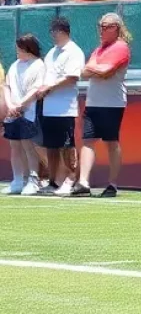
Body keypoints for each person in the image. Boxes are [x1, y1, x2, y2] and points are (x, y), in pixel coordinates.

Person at [72, 12, 132, 197]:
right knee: (88, 141)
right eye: (100, 26)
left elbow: (106, 71)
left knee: (111, 143)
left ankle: (112, 184)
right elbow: (85, 72)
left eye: (106, 26)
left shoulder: (121, 47)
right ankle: (83, 182)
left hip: (112, 104)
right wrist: (96, 69)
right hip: (93, 103)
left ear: (116, 28)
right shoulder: (98, 50)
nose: (101, 30)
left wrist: (96, 69)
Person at [31, 17, 85, 196]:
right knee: (51, 146)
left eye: (54, 31)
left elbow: (72, 77)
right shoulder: (52, 52)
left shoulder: (74, 51)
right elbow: (46, 76)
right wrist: (41, 88)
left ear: (62, 31)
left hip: (65, 108)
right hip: (49, 108)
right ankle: (54, 181)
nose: (52, 35)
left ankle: (71, 180)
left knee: (67, 146)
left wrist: (49, 87)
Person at [2, 34, 45, 196]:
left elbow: (36, 89)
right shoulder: (14, 66)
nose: (17, 52)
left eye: (20, 49)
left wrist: (21, 105)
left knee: (28, 146)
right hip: (12, 113)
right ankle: (17, 180)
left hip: (28, 112)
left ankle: (33, 180)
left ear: (28, 49)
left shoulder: (38, 65)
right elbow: (6, 86)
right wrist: (11, 105)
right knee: (15, 146)